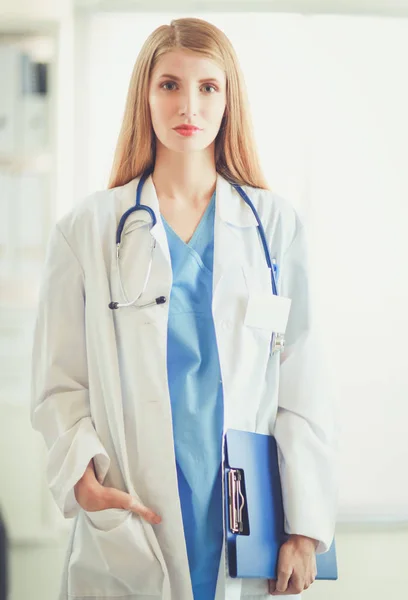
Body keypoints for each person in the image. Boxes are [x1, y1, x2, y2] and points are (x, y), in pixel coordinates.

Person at [30, 16, 338, 600]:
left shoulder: (272, 227)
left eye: (207, 87)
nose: (187, 104)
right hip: (132, 510)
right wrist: (84, 480)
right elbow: (58, 383)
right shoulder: (90, 230)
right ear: (144, 96)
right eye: (169, 85)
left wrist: (304, 525)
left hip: (247, 517)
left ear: (229, 99)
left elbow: (303, 382)